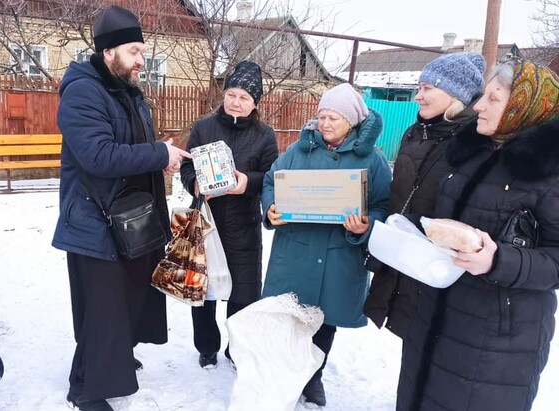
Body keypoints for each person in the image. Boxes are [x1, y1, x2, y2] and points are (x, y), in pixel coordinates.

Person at [396, 58, 559, 411]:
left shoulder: (551, 173)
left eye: (494, 98)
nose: (479, 105)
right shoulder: (471, 153)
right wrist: (411, 230)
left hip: (497, 342)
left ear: (523, 106)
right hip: (434, 316)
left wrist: (499, 260)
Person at [52, 6, 191, 411]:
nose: (140, 60)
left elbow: (133, 149)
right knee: (102, 314)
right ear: (108, 51)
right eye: (133, 51)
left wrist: (161, 157)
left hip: (131, 222)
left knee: (124, 304)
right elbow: (98, 156)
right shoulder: (83, 91)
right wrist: (155, 152)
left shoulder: (127, 90)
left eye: (142, 52)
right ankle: (86, 390)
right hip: (95, 224)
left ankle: (107, 363)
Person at [261, 83, 392, 407]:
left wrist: (367, 224)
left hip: (339, 256)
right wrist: (270, 208)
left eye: (334, 117)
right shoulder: (298, 151)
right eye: (322, 116)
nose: (326, 123)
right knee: (290, 319)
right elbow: (270, 181)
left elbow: (383, 204)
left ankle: (313, 376)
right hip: (297, 251)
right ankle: (286, 376)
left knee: (325, 321)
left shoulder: (373, 161)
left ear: (352, 121)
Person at [363, 52, 486, 338]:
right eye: (419, 88)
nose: (418, 96)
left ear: (455, 93)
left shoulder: (474, 141)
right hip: (406, 256)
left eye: (427, 88)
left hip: (440, 266)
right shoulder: (416, 133)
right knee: (411, 342)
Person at [179, 60, 279, 369]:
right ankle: (206, 346)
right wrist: (195, 184)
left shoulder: (265, 135)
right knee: (204, 290)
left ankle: (237, 350)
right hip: (206, 223)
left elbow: (271, 175)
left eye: (244, 97)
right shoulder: (203, 127)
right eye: (232, 94)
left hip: (244, 225)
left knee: (242, 294)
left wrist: (247, 182)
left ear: (255, 102)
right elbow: (186, 165)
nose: (236, 102)